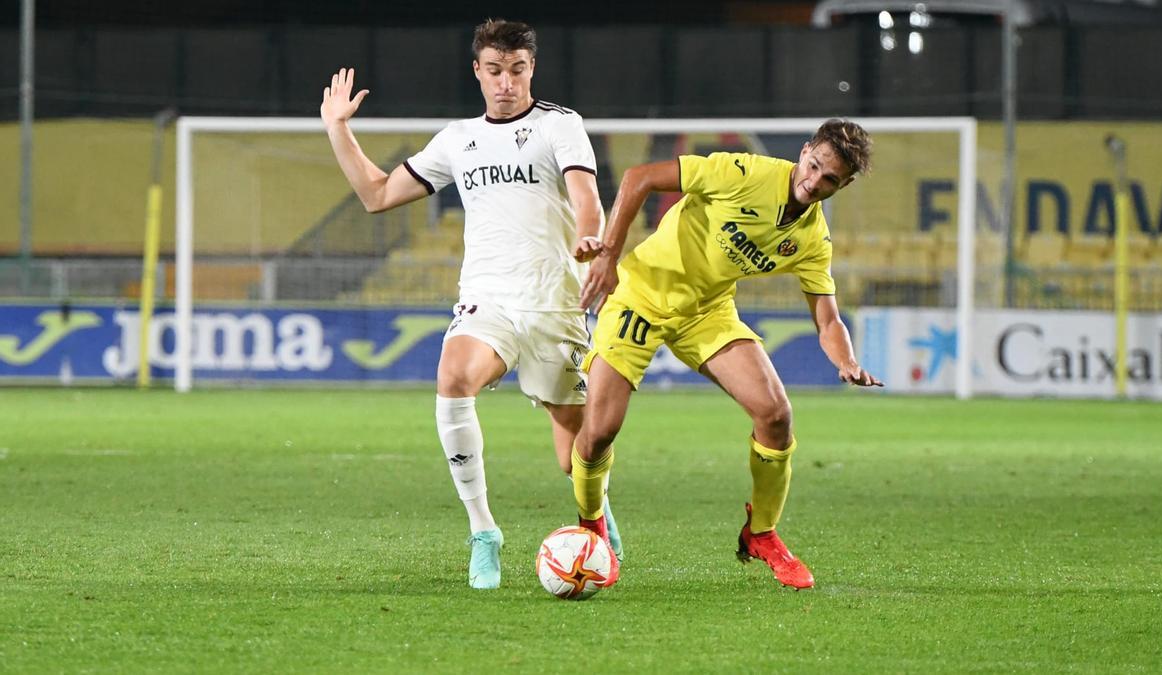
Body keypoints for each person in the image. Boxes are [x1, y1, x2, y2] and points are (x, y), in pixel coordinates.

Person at [320, 19, 622, 590]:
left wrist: (590, 236)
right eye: (494, 70)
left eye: (516, 69)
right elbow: (378, 194)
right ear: (477, 71)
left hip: (555, 304)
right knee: (453, 376)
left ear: (531, 68)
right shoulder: (458, 139)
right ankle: (484, 531)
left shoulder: (560, 126)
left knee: (577, 452)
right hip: (490, 299)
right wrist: (337, 129)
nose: (505, 82)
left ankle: (595, 511)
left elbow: (587, 198)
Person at [571, 118, 883, 590]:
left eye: (829, 180)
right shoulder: (744, 173)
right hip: (642, 295)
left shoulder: (812, 239)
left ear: (845, 184)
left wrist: (846, 360)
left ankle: (762, 533)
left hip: (707, 312)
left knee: (776, 415)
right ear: (804, 152)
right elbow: (639, 177)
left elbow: (827, 319)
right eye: (814, 165)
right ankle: (592, 522)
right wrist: (608, 255)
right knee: (599, 432)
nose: (814, 182)